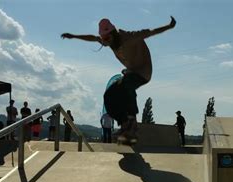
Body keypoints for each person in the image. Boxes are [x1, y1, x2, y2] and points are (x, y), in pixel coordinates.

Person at [61, 16, 176, 144]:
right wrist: (74, 36)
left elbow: (150, 32)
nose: (106, 42)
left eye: (107, 38)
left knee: (127, 84)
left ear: (113, 33)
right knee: (109, 95)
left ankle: (132, 122)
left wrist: (168, 26)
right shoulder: (109, 41)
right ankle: (125, 125)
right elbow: (93, 38)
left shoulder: (129, 37)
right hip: (131, 73)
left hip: (143, 72)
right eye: (104, 40)